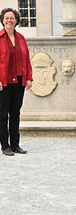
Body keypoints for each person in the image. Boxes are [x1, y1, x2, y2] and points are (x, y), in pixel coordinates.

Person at [0, 8, 33, 156]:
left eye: (12, 18)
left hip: (19, 80)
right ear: (2, 20)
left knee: (15, 113)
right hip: (4, 81)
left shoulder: (21, 38)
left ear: (16, 20)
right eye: (6, 18)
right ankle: (5, 145)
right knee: (2, 114)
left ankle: (15, 144)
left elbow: (26, 59)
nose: (9, 20)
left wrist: (29, 77)